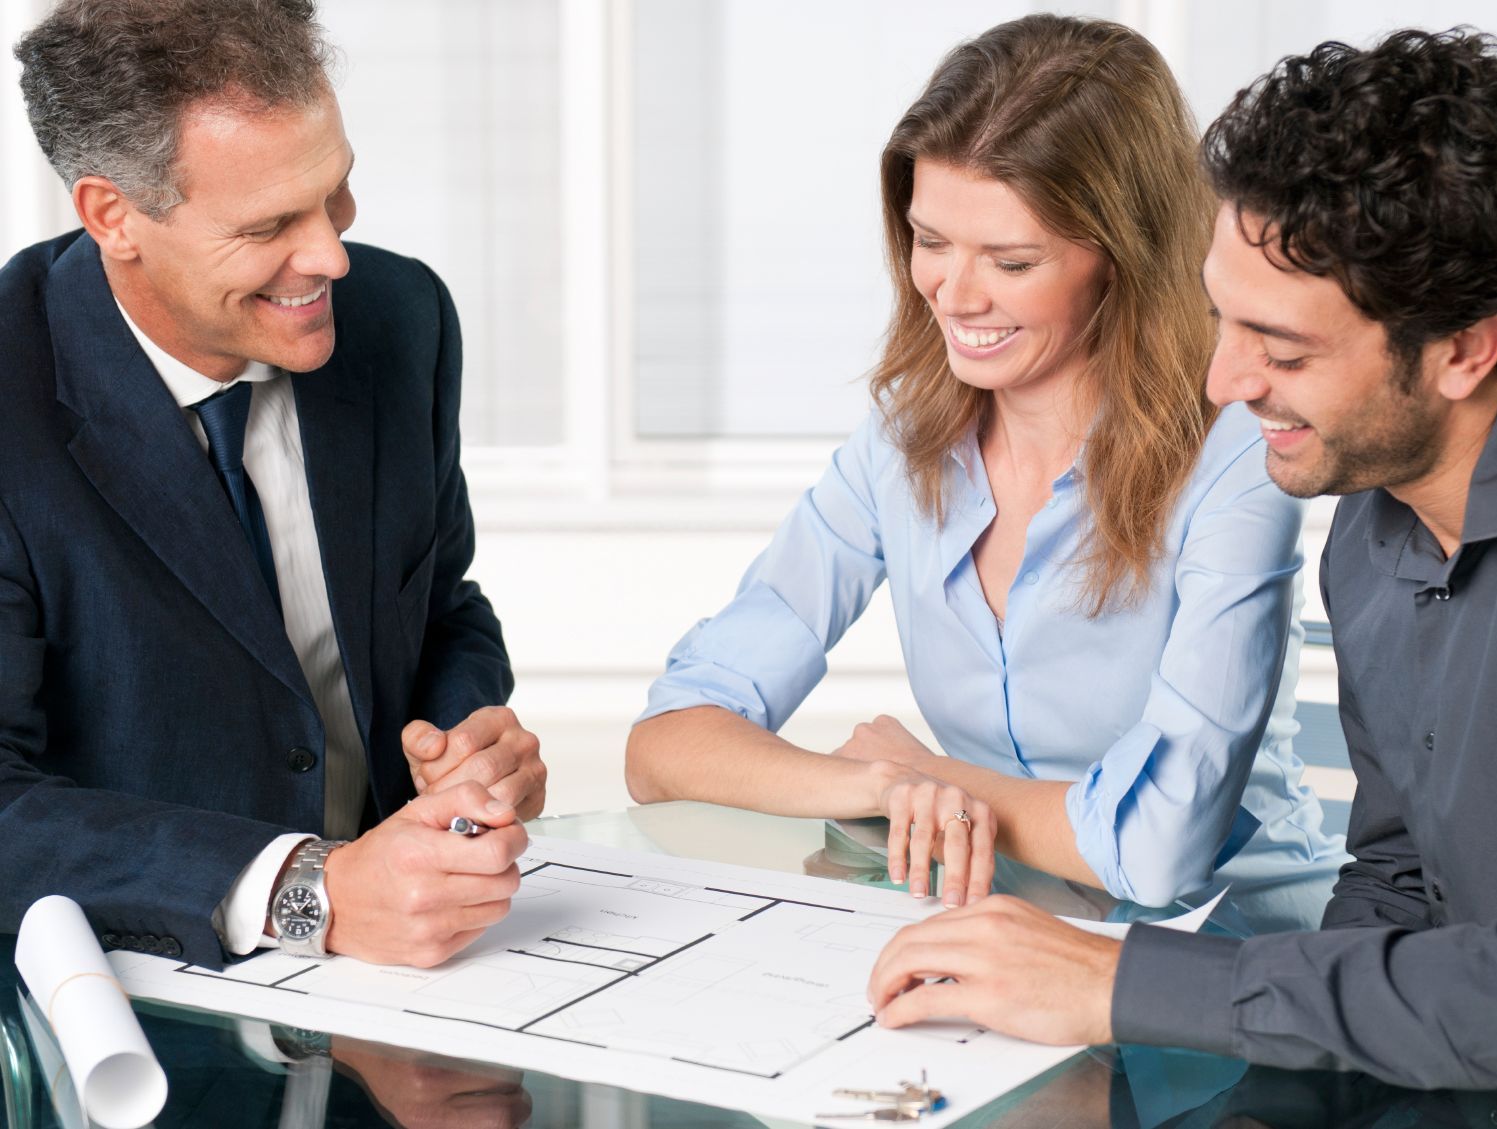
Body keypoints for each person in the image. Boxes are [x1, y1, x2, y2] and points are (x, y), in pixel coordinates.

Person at [867, 27, 1497, 1091]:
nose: (1222, 383)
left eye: (1282, 349)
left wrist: (1125, 982)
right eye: (1222, 321)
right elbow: (1400, 884)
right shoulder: (1372, 529)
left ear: (1464, 351)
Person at [626, 14, 1341, 915]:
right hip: (1005, 935)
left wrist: (946, 782)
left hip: (1230, 958)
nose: (953, 295)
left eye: (1010, 260)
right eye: (931, 241)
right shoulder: (902, 442)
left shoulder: (1237, 455)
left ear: (1123, 257)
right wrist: (883, 786)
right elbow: (665, 746)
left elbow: (1159, 849)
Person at [0, 0, 545, 970]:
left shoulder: (401, 319)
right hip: (118, 991)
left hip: (409, 978)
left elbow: (438, 607)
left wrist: (465, 745)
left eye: (335, 192)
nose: (331, 255)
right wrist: (307, 889)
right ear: (113, 216)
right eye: (268, 225)